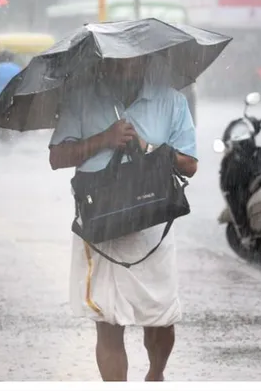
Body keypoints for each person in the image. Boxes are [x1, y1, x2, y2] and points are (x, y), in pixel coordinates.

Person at [48, 56, 198, 381]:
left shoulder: (171, 100)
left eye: (133, 61)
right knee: (108, 322)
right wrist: (104, 139)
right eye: (115, 62)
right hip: (101, 225)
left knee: (160, 317)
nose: (124, 68)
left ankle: (155, 376)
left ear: (147, 61)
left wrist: (151, 149)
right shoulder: (82, 97)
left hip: (152, 225)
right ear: (104, 63)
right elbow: (57, 157)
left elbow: (190, 164)